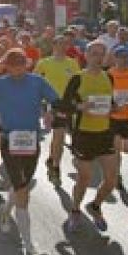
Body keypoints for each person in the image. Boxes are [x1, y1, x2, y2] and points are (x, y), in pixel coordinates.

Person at [0, 48, 59, 255]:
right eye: (12, 64)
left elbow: (56, 99)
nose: (17, 68)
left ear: (27, 64)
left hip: (32, 141)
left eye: (20, 64)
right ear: (6, 65)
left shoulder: (37, 82)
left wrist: (49, 112)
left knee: (21, 187)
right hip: (10, 141)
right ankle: (30, 248)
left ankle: (5, 211)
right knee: (23, 191)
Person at [62, 43, 120, 234]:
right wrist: (80, 108)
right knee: (84, 178)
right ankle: (75, 209)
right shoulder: (78, 78)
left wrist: (114, 108)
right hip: (84, 134)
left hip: (104, 133)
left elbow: (110, 102)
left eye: (101, 54)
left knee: (111, 179)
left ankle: (95, 205)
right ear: (86, 55)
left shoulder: (108, 76)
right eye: (94, 54)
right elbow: (63, 105)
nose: (97, 57)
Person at [35, 36, 83, 180]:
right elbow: (34, 83)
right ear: (53, 45)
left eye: (65, 44)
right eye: (59, 43)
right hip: (52, 103)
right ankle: (56, 167)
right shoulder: (44, 63)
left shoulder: (73, 63)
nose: (63, 46)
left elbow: (80, 83)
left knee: (59, 137)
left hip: (69, 104)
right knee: (59, 135)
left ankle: (51, 159)